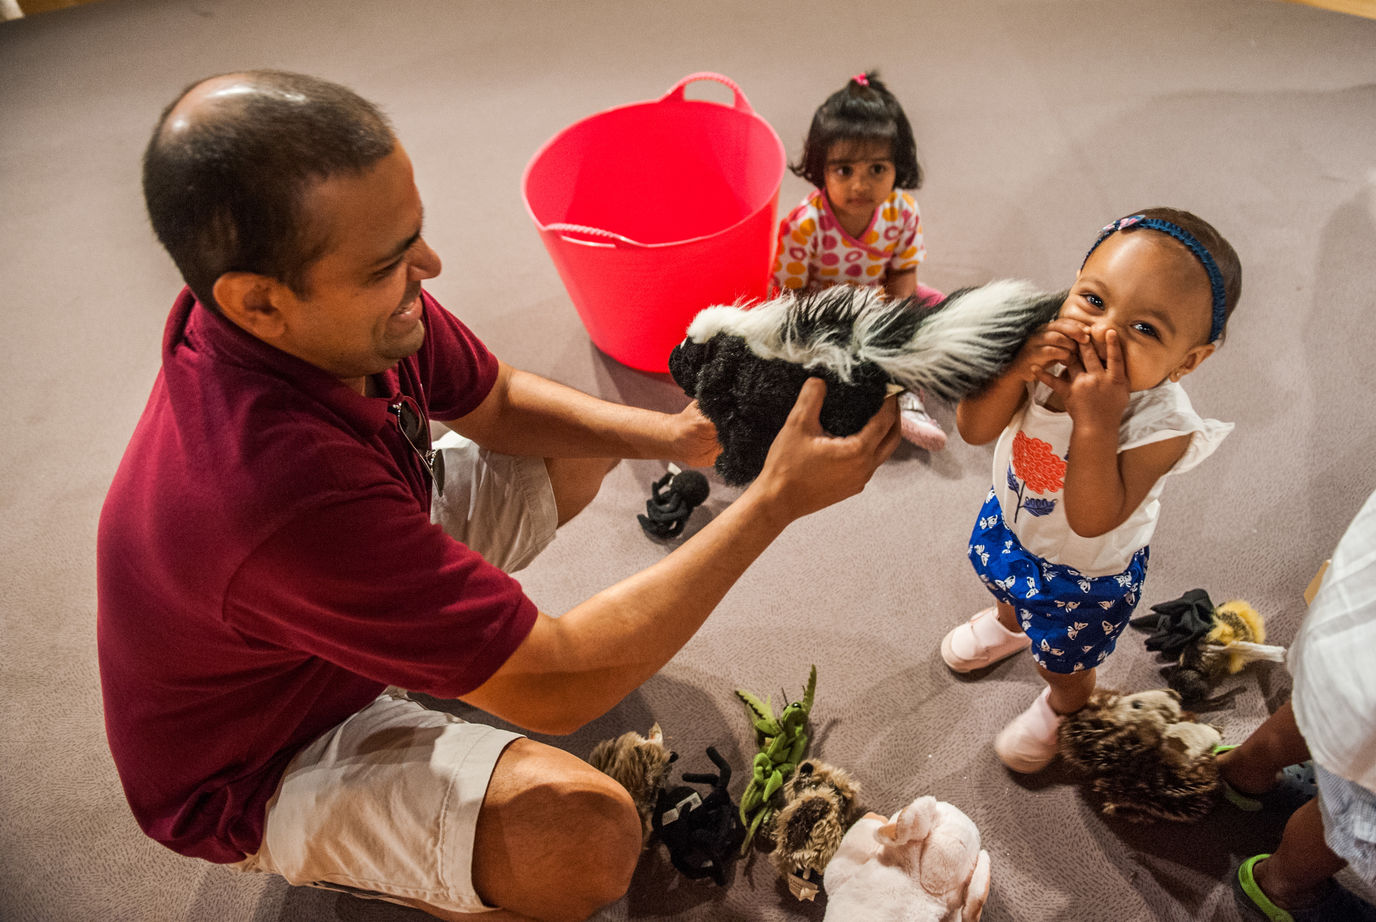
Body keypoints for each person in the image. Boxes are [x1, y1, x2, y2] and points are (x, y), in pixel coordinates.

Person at [96, 70, 901, 922]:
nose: (429, 269)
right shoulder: (273, 491)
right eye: (388, 263)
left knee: (575, 448)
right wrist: (771, 504)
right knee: (589, 838)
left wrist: (665, 436)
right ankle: (358, 839)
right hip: (261, 756)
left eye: (415, 234)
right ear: (259, 302)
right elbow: (555, 684)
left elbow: (498, 398)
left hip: (324, 602)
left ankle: (407, 669)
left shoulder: (336, 320)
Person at [940, 208, 1240, 773]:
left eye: (1145, 329)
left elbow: (1091, 518)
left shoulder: (1161, 428)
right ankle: (1008, 626)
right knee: (1002, 586)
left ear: (1188, 361)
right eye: (1094, 301)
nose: (1103, 333)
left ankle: (1064, 707)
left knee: (1063, 660)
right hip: (1012, 522)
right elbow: (974, 430)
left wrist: (1096, 422)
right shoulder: (1039, 351)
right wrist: (1010, 371)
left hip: (1081, 575)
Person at [1219, 442, 1376, 922]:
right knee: (1363, 810)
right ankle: (1284, 887)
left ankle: (1243, 770)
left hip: (1350, 622)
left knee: (1316, 706)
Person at [770, 70, 948, 452]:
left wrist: (897, 326)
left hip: (878, 301)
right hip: (820, 310)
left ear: (899, 166)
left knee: (937, 306)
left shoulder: (902, 213)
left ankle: (907, 399)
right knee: (806, 360)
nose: (860, 185)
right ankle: (857, 399)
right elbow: (790, 293)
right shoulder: (805, 225)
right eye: (844, 170)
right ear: (821, 168)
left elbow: (902, 273)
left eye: (877, 169)